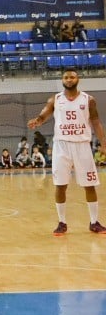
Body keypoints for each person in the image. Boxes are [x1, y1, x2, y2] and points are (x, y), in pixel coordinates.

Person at [27, 67, 106, 236]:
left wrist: (104, 143)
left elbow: (96, 121)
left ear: (78, 79)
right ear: (62, 80)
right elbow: (44, 114)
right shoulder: (55, 99)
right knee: (60, 185)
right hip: (62, 146)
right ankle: (62, 222)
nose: (69, 79)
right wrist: (38, 120)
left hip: (82, 145)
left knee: (89, 185)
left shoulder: (88, 99)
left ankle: (94, 222)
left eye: (72, 77)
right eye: (66, 77)